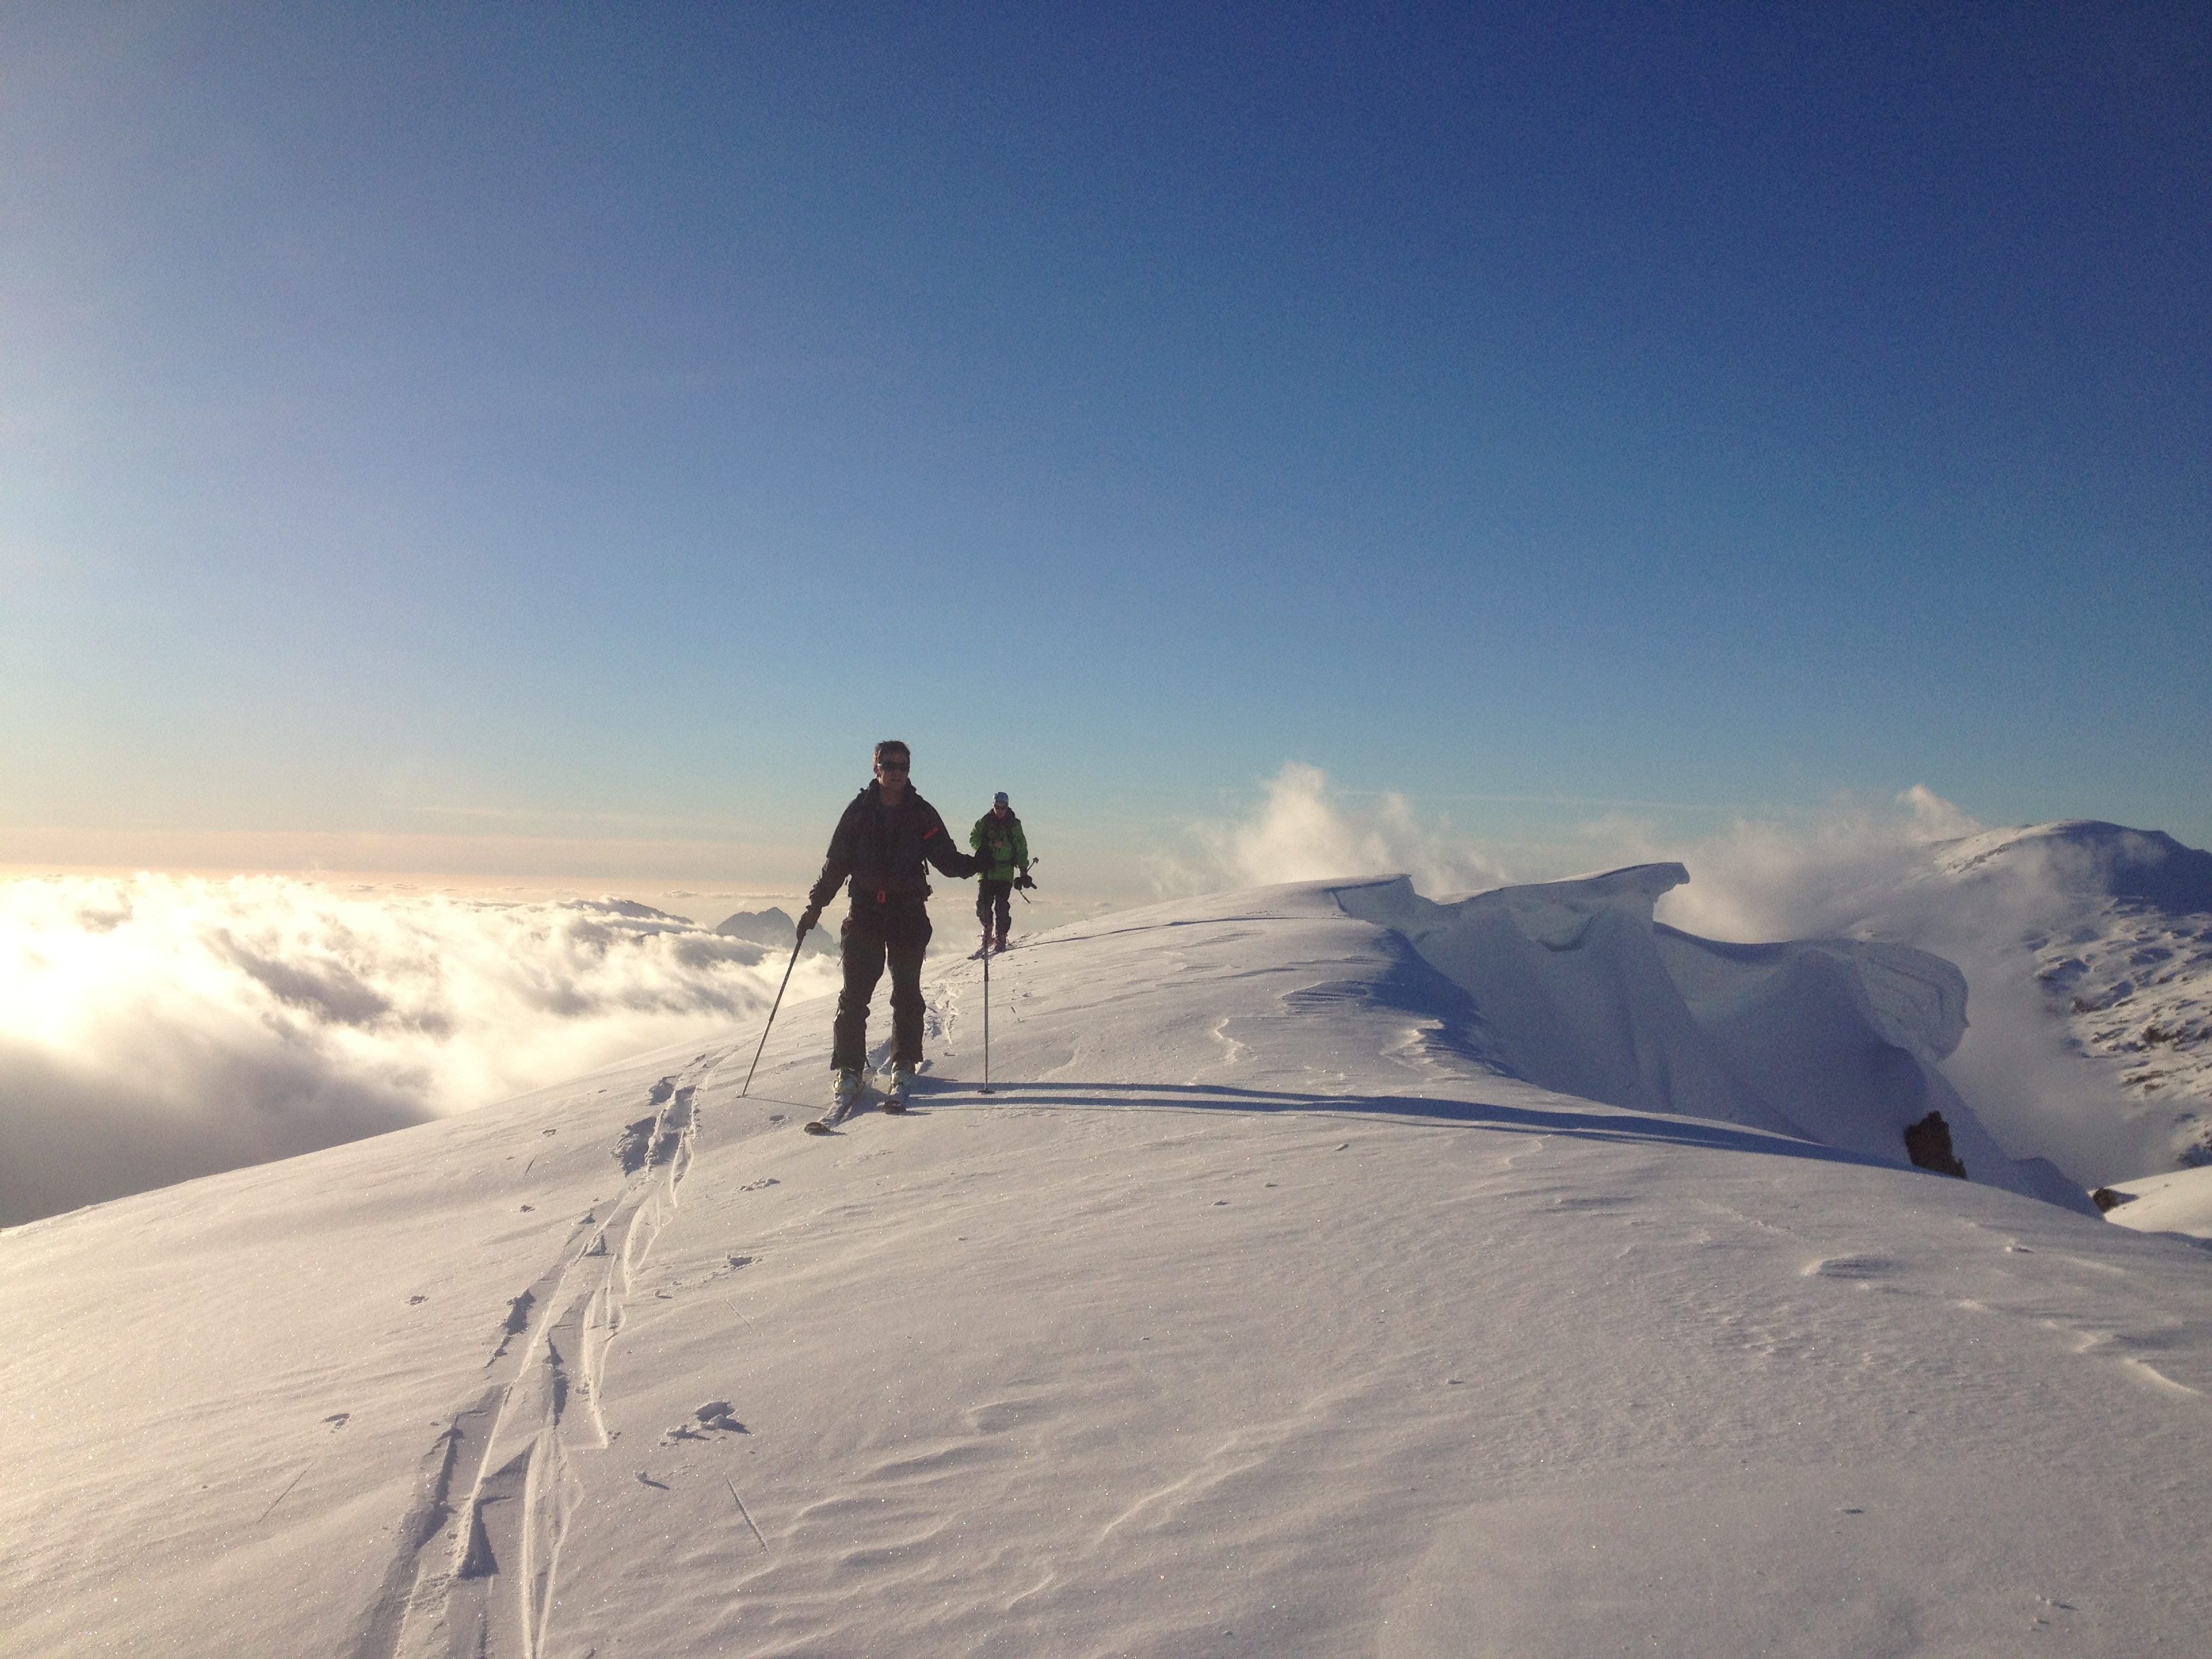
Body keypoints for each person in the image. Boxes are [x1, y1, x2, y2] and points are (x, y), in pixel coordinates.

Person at [798, 740, 985, 1113]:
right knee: (854, 996)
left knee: (907, 993)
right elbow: (836, 866)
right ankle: (849, 1067)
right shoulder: (859, 813)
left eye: (904, 765)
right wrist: (814, 908)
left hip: (907, 914)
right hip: (866, 913)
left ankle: (903, 1063)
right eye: (890, 764)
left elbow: (946, 860)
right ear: (876, 768)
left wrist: (980, 863)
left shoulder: (921, 814)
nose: (897, 771)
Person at [968, 790, 1032, 954]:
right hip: (986, 871)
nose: (1000, 810)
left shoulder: (1014, 825)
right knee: (983, 905)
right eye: (998, 807)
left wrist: (1023, 870)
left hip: (1005, 872)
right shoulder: (984, 822)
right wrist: (989, 845)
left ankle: (1001, 936)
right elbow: (973, 838)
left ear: (1007, 806)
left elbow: (1021, 847)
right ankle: (988, 931)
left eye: (1003, 807)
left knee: (1002, 907)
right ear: (994, 805)